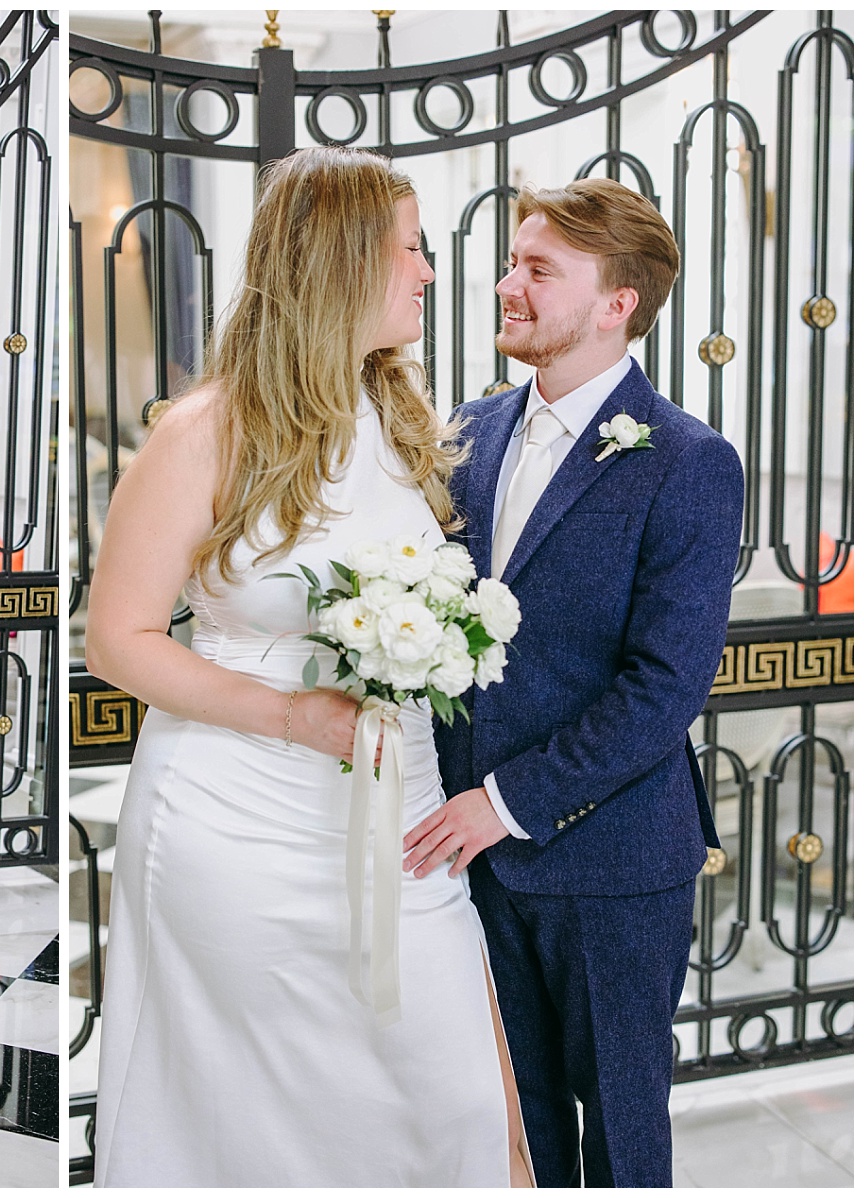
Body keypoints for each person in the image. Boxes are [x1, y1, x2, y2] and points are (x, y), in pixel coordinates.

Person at [86, 147, 532, 1186]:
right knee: (246, 1118)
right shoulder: (204, 432)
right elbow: (118, 642)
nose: (427, 272)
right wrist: (293, 716)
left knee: (446, 1089)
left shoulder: (405, 421)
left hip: (400, 814)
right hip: (237, 821)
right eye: (409, 249)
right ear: (336, 263)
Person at [410, 178, 744, 1186]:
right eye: (512, 262)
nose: (507, 283)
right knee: (512, 1118)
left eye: (537, 269)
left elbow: (663, 686)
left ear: (616, 305)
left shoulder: (687, 460)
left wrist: (504, 802)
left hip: (609, 861)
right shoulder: (464, 431)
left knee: (621, 1131)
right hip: (462, 861)